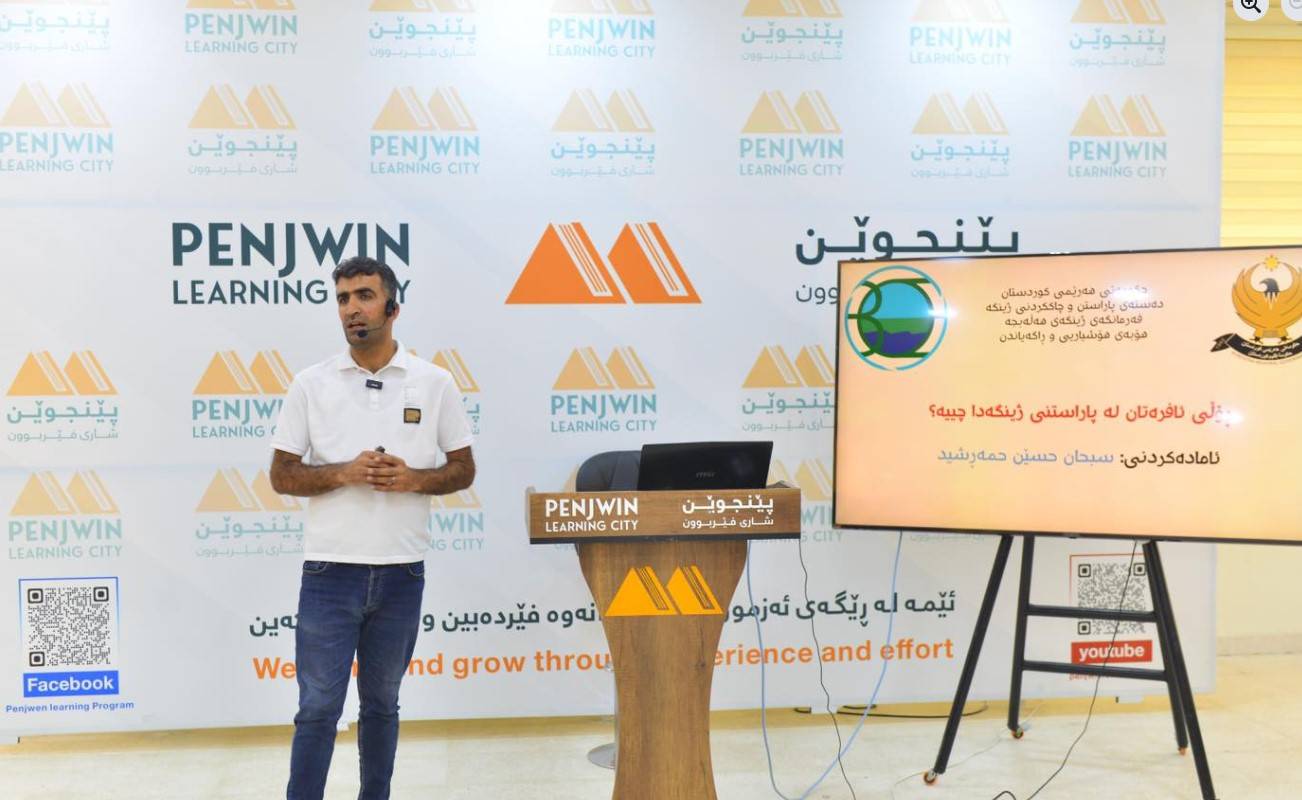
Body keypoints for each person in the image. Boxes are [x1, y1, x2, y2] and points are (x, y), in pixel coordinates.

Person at [269, 256, 475, 800]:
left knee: (383, 705)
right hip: (329, 572)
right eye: (342, 299)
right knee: (318, 707)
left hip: (402, 572)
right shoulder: (310, 384)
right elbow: (281, 475)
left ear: (393, 308)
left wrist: (414, 479)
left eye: (363, 296)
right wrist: (342, 472)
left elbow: (463, 469)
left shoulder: (434, 383)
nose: (351, 309)